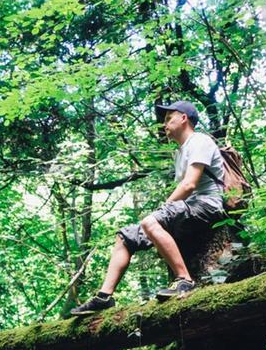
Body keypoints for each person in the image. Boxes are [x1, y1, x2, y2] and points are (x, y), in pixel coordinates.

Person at [70, 100, 225, 315]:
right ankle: (104, 296)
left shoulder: (199, 141)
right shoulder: (181, 151)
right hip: (190, 207)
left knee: (150, 221)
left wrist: (163, 209)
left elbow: (189, 184)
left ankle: (184, 281)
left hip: (207, 205)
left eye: (169, 118)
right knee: (125, 237)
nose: (164, 124)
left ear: (184, 118)